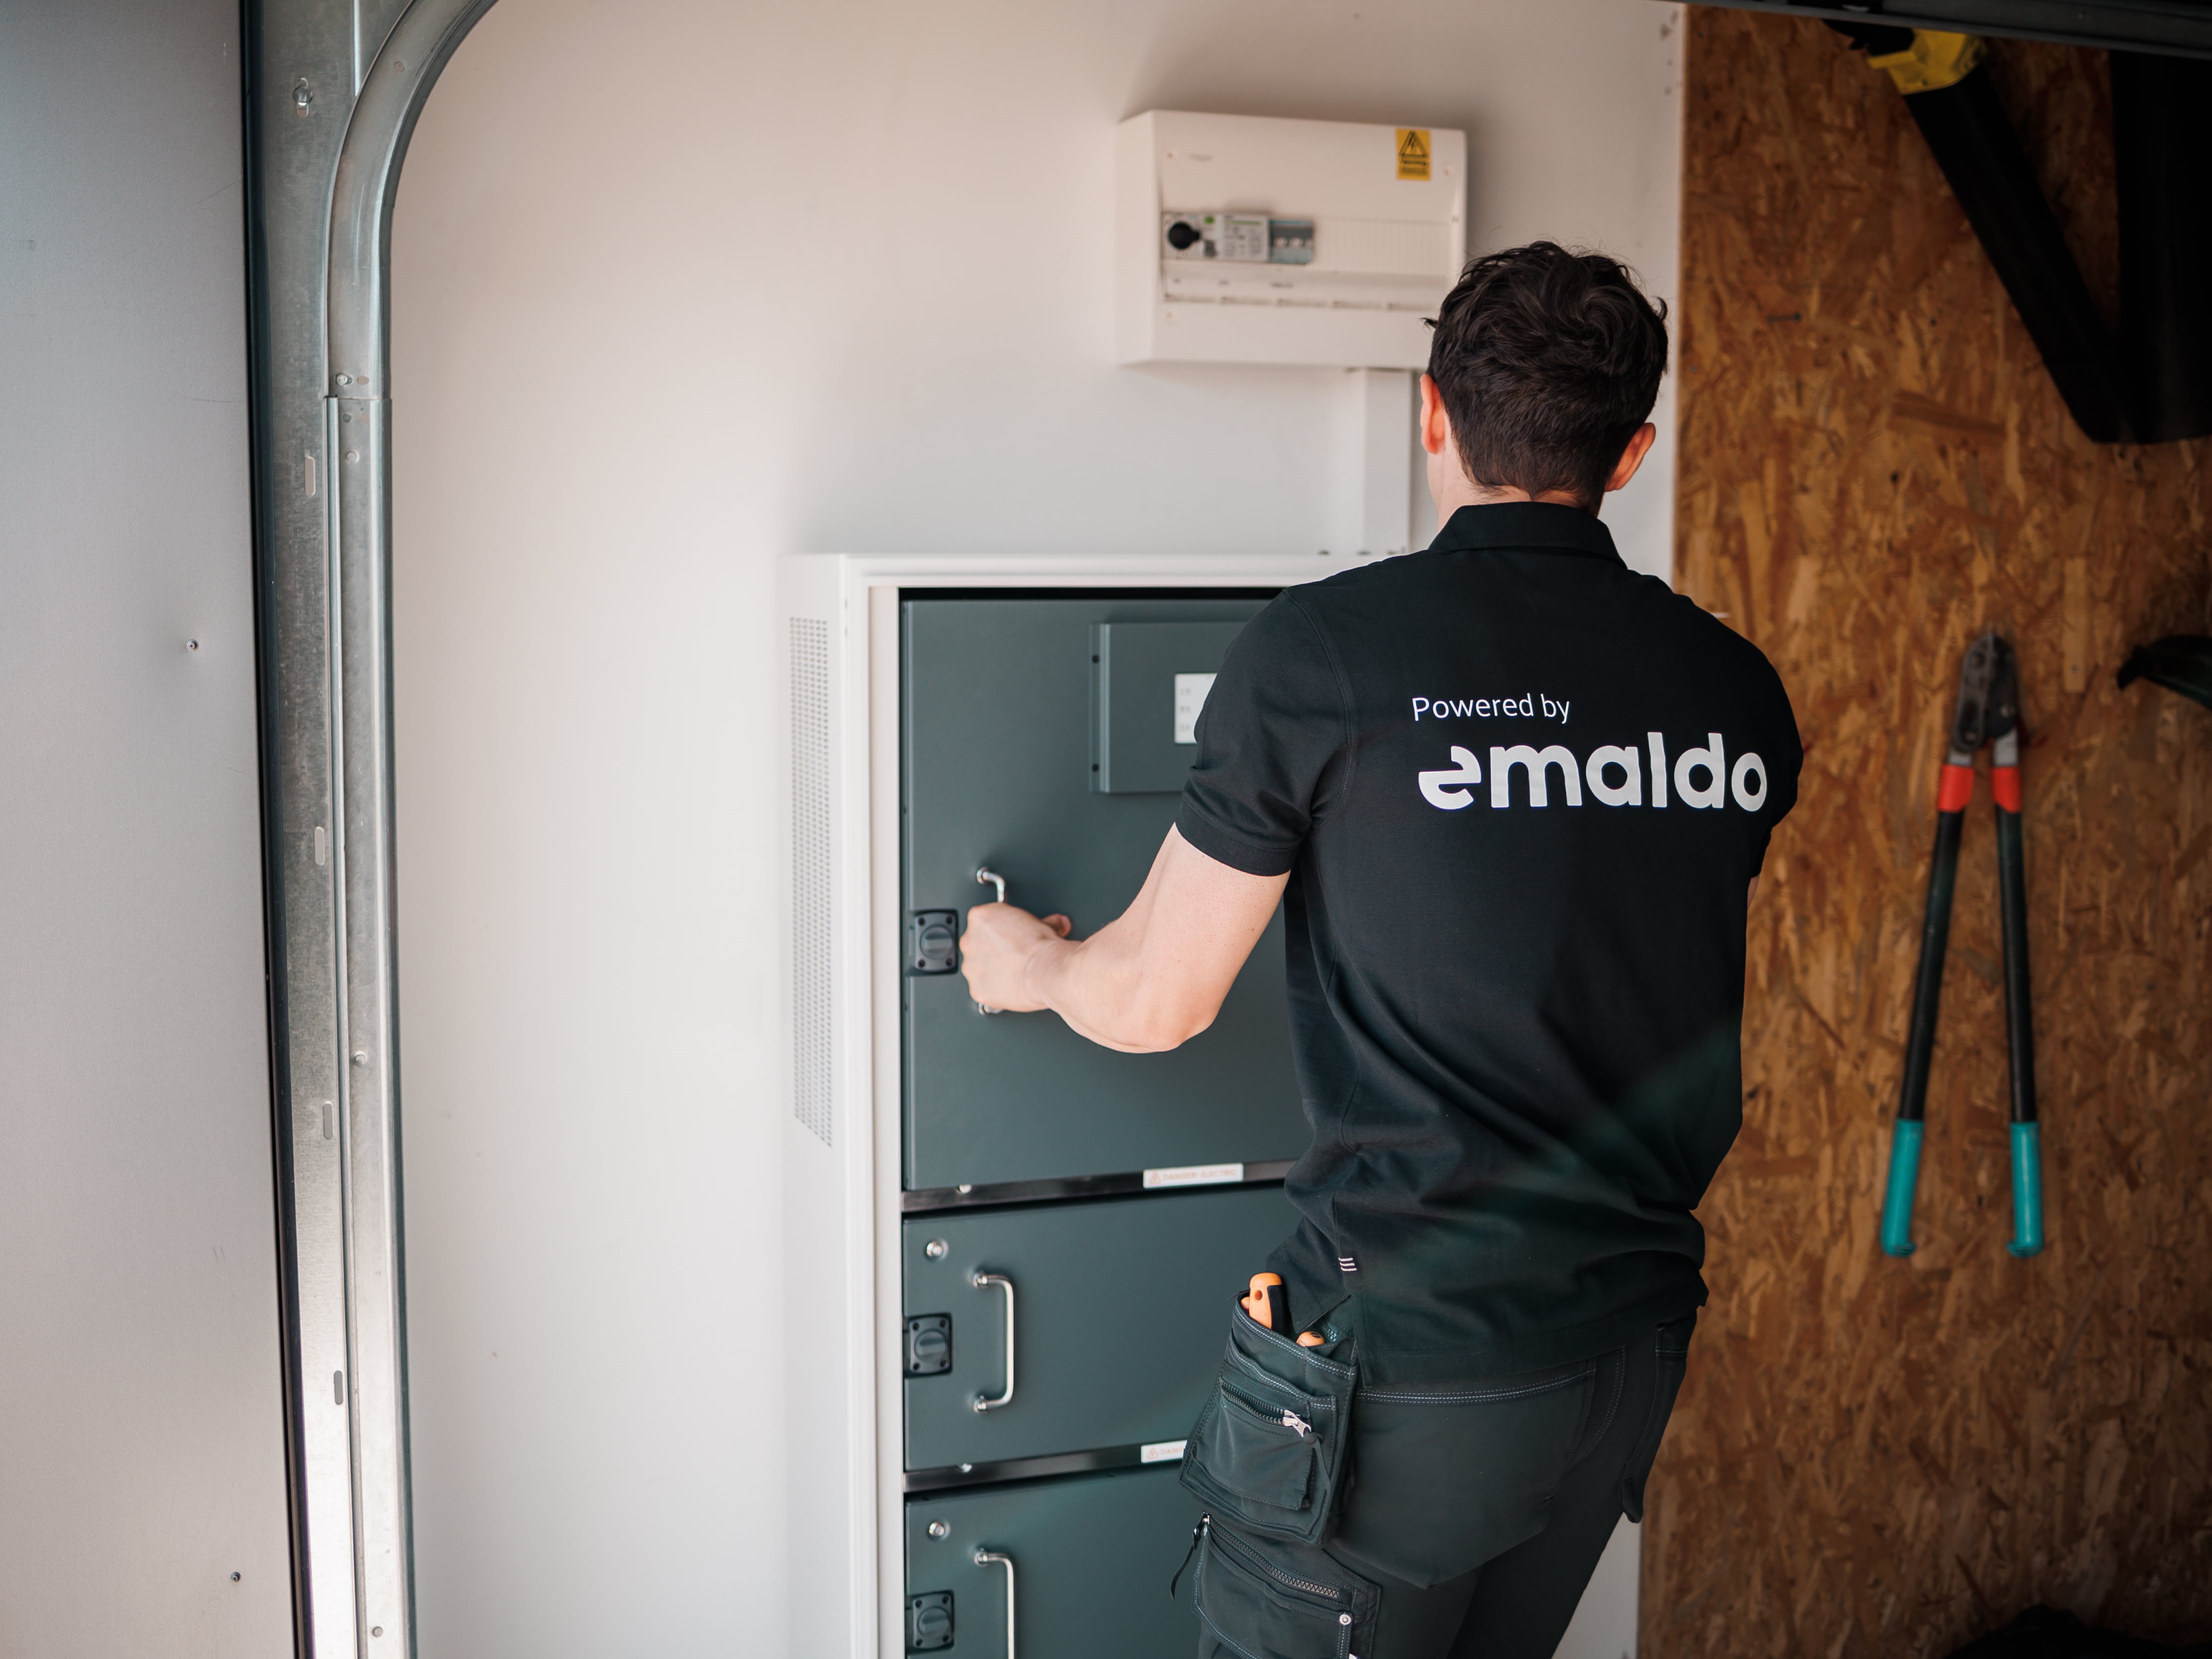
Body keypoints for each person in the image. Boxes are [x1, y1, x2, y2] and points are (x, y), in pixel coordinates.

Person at [958, 241, 1800, 1659]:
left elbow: (1157, 1000)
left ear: (1432, 414)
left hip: (1407, 1369)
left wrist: (1022, 964)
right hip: (1623, 1350)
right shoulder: (1732, 688)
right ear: (1631, 453)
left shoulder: (1325, 656)